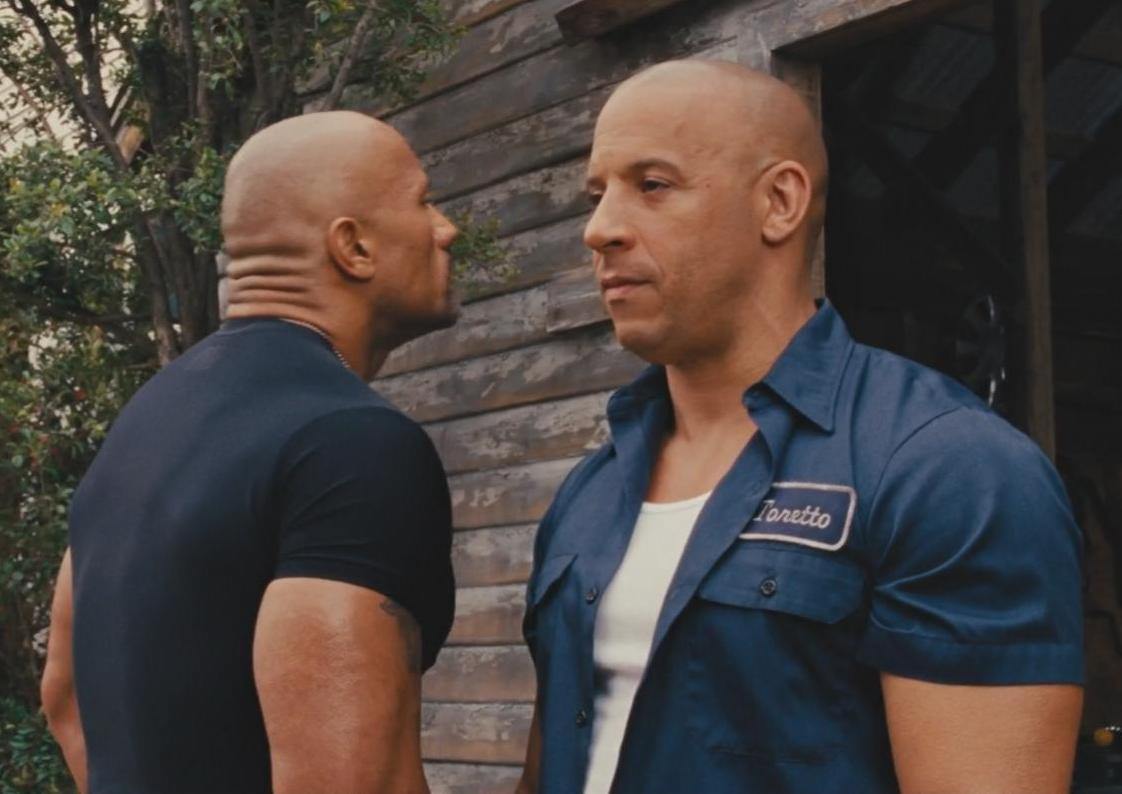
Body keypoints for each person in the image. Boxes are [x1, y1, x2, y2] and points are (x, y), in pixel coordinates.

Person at [517, 60, 1084, 794]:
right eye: (597, 197)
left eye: (651, 185)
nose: (599, 230)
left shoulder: (950, 469)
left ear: (779, 202)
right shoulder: (589, 492)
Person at [39, 111, 459, 794]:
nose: (445, 229)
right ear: (353, 246)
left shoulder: (141, 427)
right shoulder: (353, 444)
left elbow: (66, 700)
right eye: (424, 201)